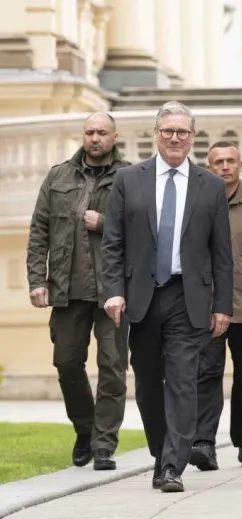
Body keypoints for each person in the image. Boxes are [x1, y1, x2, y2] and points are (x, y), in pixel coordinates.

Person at [101, 101, 233, 492]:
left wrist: (222, 305)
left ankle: (174, 465)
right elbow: (113, 243)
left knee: (182, 380)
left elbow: (221, 252)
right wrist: (113, 292)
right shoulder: (128, 180)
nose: (175, 138)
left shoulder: (209, 185)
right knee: (146, 384)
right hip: (141, 296)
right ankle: (161, 455)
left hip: (187, 296)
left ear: (192, 137)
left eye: (183, 132)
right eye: (168, 131)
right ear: (155, 134)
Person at [26, 112, 130, 471]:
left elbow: (145, 230)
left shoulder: (130, 177)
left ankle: (104, 445)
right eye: (89, 132)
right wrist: (37, 280)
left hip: (113, 291)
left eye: (102, 132)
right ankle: (85, 428)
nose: (95, 138)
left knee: (112, 368)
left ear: (115, 137)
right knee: (67, 363)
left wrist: (103, 223)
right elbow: (39, 231)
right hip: (66, 289)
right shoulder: (57, 176)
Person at [189, 141, 242, 471]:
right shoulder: (197, 203)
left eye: (230, 160)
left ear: (240, 164)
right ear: (208, 167)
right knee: (206, 374)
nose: (224, 166)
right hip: (208, 306)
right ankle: (204, 443)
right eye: (218, 161)